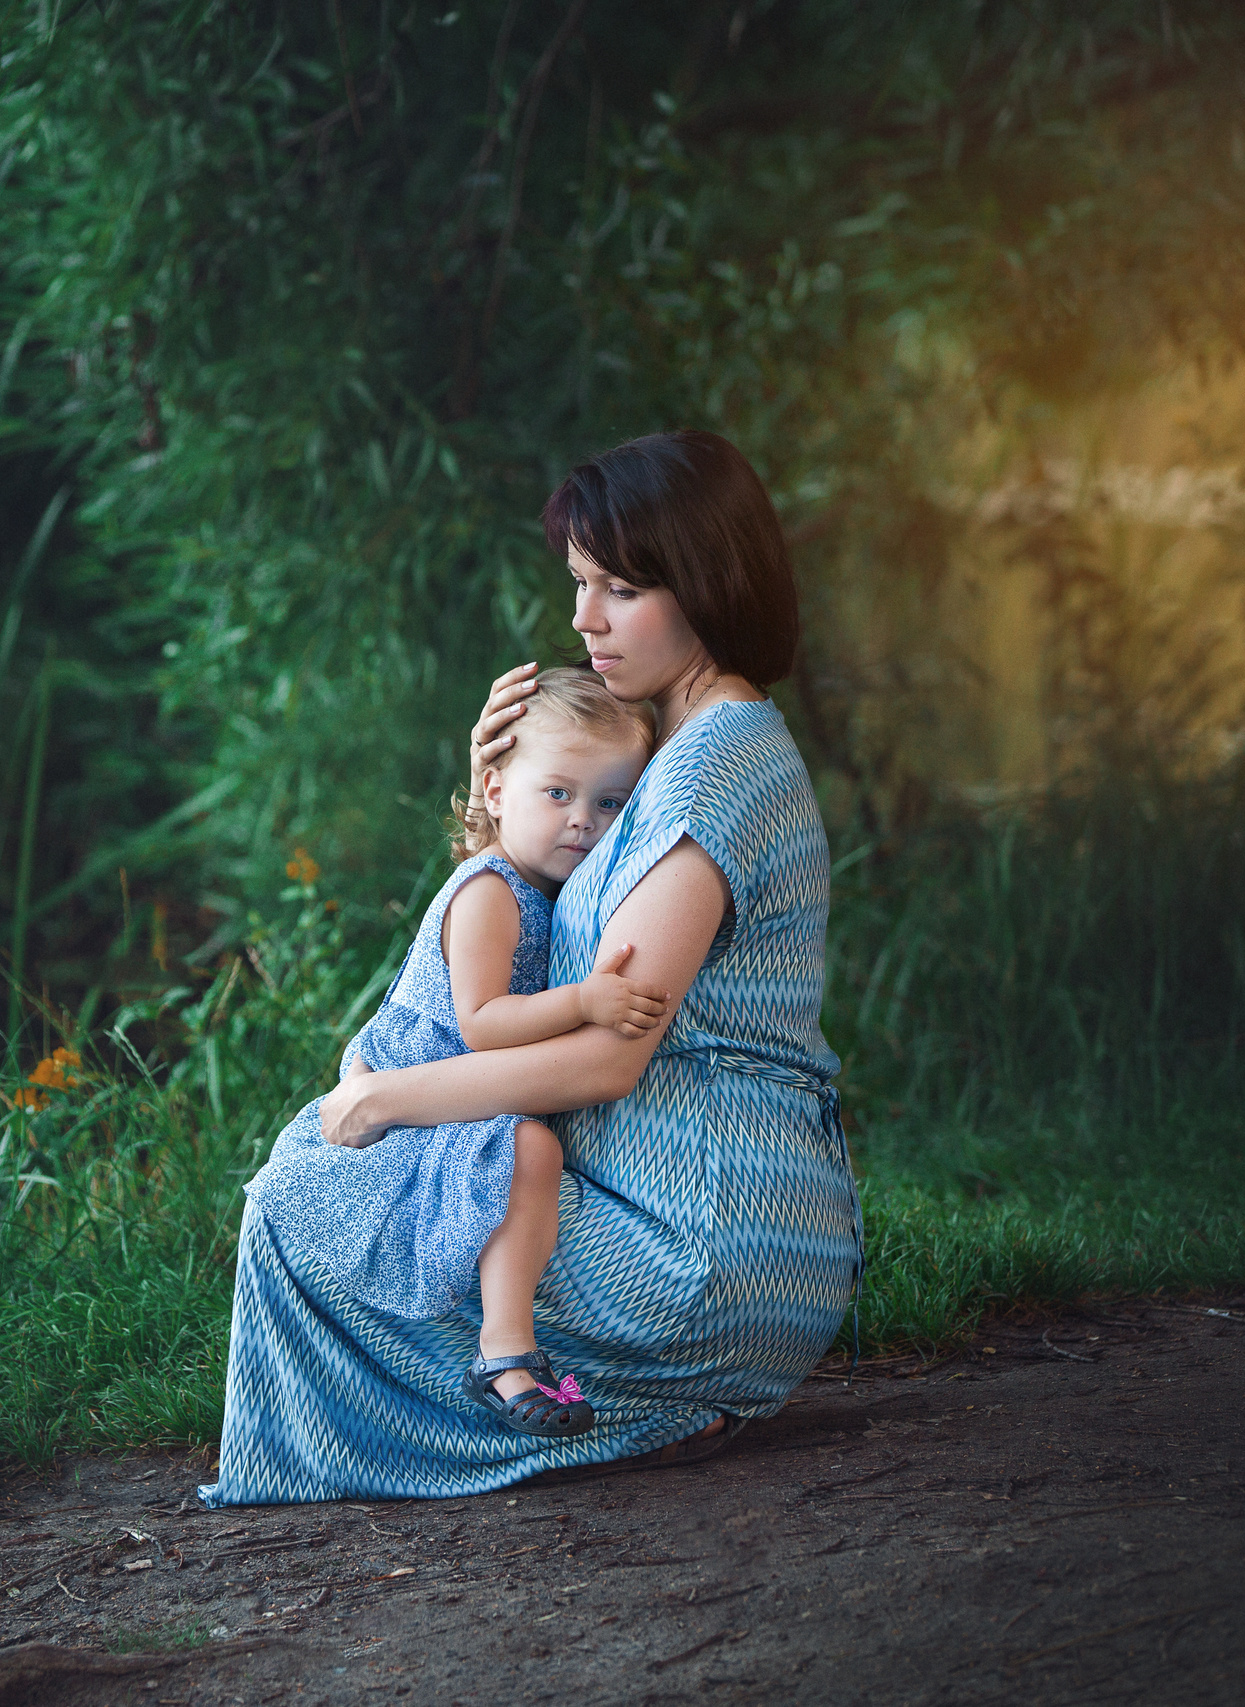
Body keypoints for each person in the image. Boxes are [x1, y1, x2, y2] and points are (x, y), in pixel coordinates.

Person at [201, 428, 862, 1508]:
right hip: (711, 1215)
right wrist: (497, 798)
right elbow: (540, 926)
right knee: (347, 1183)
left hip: (696, 1241)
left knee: (299, 1193)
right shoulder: (671, 751)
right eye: (579, 584)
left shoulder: (711, 769)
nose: (583, 620)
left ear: (705, 582)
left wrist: (381, 1101)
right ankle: (585, 1405)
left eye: (619, 588)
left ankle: (621, 1403)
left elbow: (607, 1057)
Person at [240, 668, 671, 1440]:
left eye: (611, 802)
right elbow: (481, 1023)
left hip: (465, 1088)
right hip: (424, 1092)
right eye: (559, 793)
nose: (584, 821)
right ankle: (505, 1357)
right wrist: (585, 1002)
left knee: (532, 1146)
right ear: (497, 791)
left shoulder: (538, 881)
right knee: (530, 1147)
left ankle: (512, 1350)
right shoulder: (491, 891)